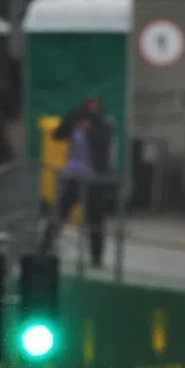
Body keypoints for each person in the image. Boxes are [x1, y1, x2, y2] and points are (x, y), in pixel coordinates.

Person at [44, 97, 115, 268]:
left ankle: (96, 258)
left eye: (94, 109)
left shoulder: (103, 125)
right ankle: (44, 247)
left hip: (94, 180)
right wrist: (70, 120)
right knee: (60, 212)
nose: (90, 114)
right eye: (87, 109)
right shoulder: (74, 123)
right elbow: (57, 135)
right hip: (73, 177)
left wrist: (90, 129)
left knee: (96, 220)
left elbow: (103, 144)